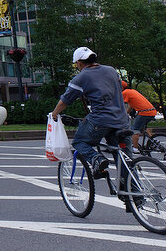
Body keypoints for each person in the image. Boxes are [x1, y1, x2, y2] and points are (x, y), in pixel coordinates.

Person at [50, 47, 129, 179]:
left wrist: (54, 114)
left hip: (101, 120)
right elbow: (118, 88)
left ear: (79, 63)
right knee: (126, 162)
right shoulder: (111, 70)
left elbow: (65, 100)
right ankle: (136, 195)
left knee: (79, 142)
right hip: (122, 120)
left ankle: (97, 159)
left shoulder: (81, 77)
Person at [120, 81, 158, 149]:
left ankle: (135, 149)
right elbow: (131, 106)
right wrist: (126, 114)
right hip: (152, 111)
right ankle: (154, 141)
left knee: (134, 130)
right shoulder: (132, 91)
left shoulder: (124, 93)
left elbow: (120, 105)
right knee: (143, 129)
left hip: (144, 113)